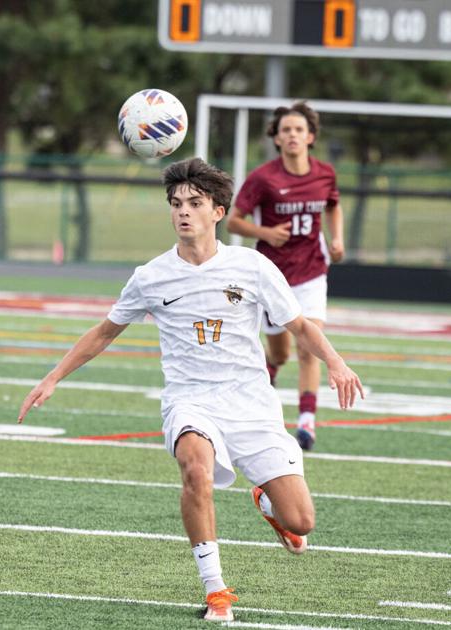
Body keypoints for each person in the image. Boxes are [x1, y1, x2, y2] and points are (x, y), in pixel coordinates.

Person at [18, 158, 363, 623]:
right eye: (176, 203)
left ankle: (264, 498)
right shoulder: (151, 276)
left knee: (302, 522)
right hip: (191, 400)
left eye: (194, 203)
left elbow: (299, 324)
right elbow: (104, 331)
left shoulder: (252, 266)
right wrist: (52, 376)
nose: (183, 212)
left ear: (218, 211)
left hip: (250, 402)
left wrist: (337, 363)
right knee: (196, 470)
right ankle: (217, 591)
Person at [226, 101, 344, 451]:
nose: (292, 135)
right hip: (273, 276)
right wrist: (264, 232)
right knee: (279, 353)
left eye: (298, 129)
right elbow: (233, 220)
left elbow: (334, 205)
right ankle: (270, 374)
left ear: (310, 137)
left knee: (310, 348)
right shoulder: (264, 178)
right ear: (276, 139)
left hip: (311, 273)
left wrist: (337, 239)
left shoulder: (325, 173)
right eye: (285, 130)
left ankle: (306, 422)